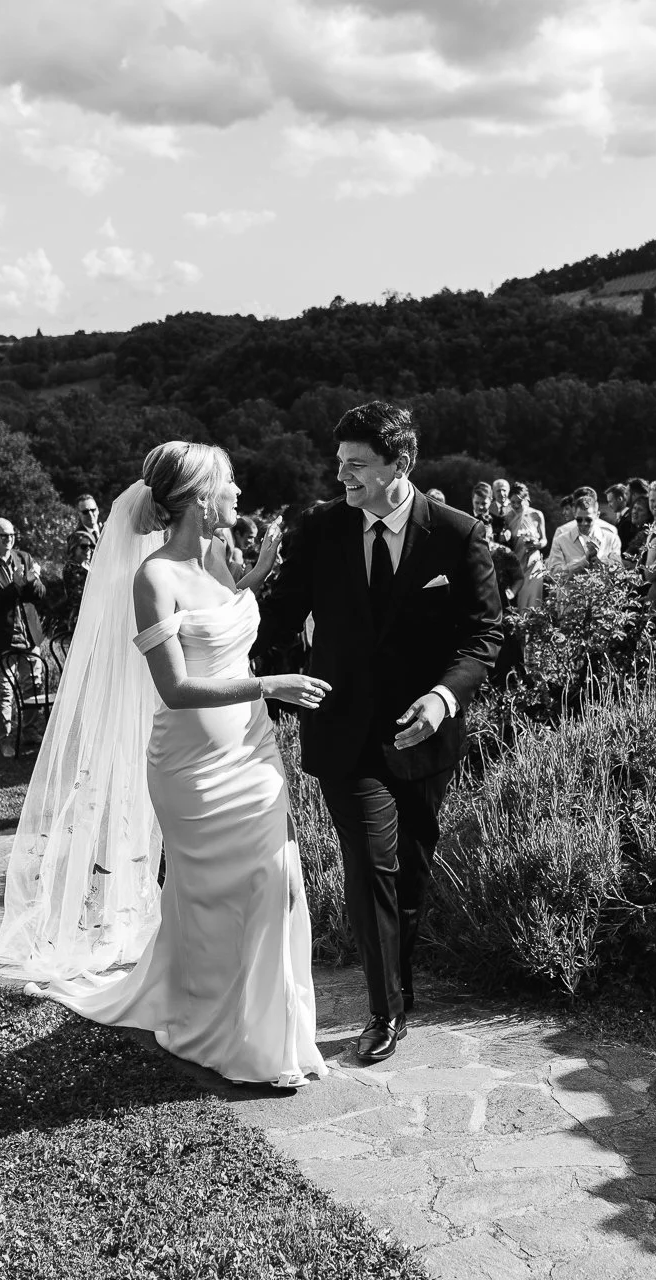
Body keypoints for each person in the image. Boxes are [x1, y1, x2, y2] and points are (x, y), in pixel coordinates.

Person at [0, 442, 330, 1088]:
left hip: (251, 751)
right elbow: (175, 687)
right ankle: (219, 1033)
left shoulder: (218, 559)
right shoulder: (153, 578)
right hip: (192, 768)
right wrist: (269, 685)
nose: (239, 494)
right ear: (202, 499)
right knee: (212, 903)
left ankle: (271, 1034)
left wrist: (256, 572)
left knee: (275, 885)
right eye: (229, 484)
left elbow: (224, 618)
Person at [255, 402, 504, 1065]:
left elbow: (485, 636)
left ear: (402, 464)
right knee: (370, 865)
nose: (344, 478)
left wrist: (445, 696)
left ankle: (399, 982)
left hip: (425, 738)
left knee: (411, 876)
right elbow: (278, 617)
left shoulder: (457, 534)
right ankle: (383, 1009)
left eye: (358, 465)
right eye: (340, 465)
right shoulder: (321, 529)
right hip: (342, 731)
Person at [0, 516, 48, 758]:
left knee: (33, 685)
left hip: (28, 634)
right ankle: (5, 740)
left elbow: (39, 595)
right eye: (3, 535)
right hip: (1, 639)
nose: (9, 539)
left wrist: (31, 581)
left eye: (12, 535)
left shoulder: (23, 558)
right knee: (4, 691)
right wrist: (15, 587)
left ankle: (30, 733)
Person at [547, 488, 622, 576]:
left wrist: (602, 563)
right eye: (579, 520)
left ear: (597, 515)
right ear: (575, 514)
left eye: (588, 520)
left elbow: (619, 569)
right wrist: (581, 563)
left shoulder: (611, 539)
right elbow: (553, 573)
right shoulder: (560, 540)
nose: (583, 523)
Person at [507, 483, 547, 576]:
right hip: (515, 564)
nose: (516, 505)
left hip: (533, 563)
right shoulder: (508, 517)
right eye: (513, 502)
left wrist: (537, 545)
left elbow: (544, 540)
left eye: (519, 502)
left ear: (526, 500)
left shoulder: (537, 514)